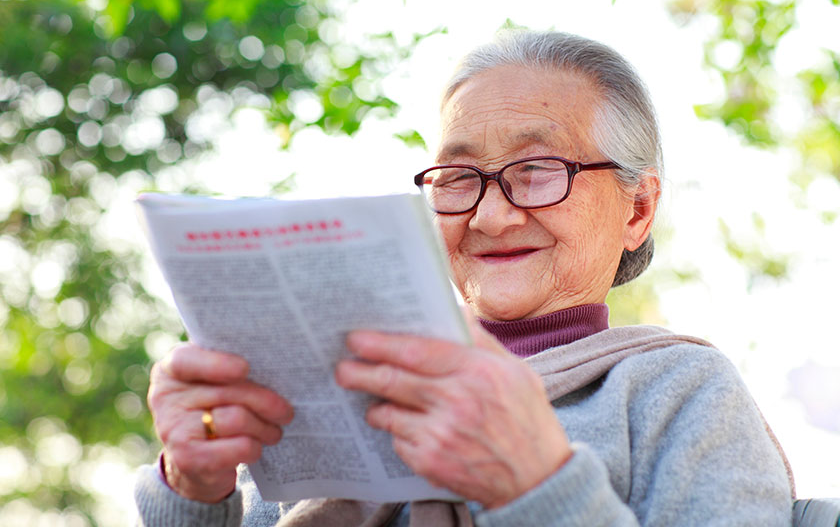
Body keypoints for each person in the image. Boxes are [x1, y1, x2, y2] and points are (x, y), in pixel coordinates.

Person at [134, 30, 794, 526]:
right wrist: (194, 492)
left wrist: (539, 484)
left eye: (537, 170)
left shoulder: (678, 393)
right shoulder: (343, 384)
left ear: (638, 209)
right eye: (459, 177)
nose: (492, 214)